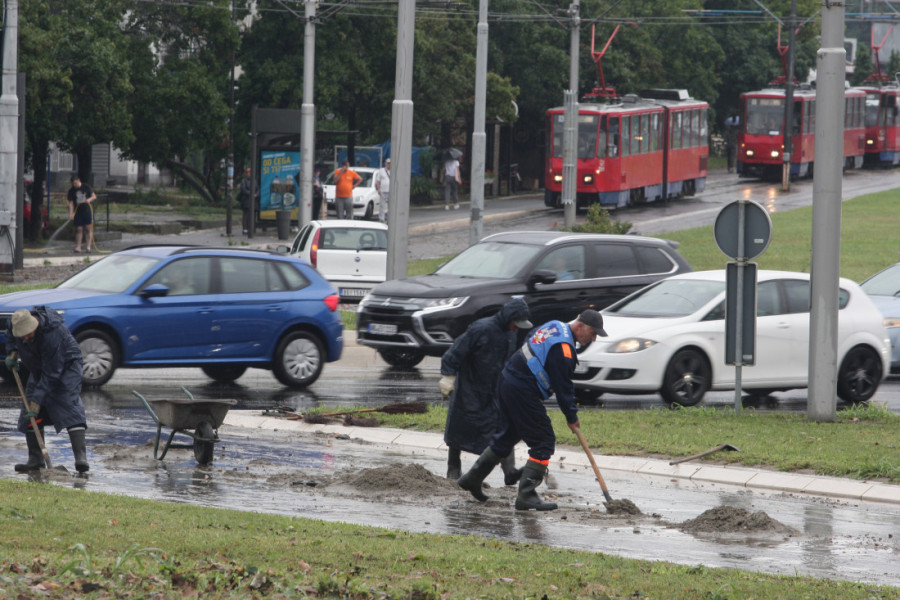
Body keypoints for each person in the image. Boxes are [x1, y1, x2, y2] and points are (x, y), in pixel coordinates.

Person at [457, 309, 607, 511]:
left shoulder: (555, 325)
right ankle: (527, 495)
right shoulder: (563, 350)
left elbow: (530, 339)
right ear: (580, 326)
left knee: (508, 434)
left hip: (508, 379)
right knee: (543, 441)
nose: (593, 338)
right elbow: (563, 388)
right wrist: (571, 417)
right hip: (521, 389)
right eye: (592, 333)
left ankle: (472, 478)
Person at [439, 297, 533, 481]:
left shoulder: (510, 333)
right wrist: (448, 376)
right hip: (470, 388)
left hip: (496, 388)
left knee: (503, 427)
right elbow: (455, 352)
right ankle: (453, 469)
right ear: (508, 318)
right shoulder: (480, 329)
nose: (517, 328)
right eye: (516, 323)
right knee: (460, 427)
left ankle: (510, 472)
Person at [5, 307, 89, 473]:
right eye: (23, 335)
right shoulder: (14, 322)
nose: (26, 338)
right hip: (38, 366)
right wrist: (12, 352)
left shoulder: (52, 334)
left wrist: (37, 402)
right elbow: (11, 335)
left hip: (66, 365)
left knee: (67, 403)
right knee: (28, 408)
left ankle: (81, 458)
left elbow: (52, 373)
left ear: (35, 324)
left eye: (29, 333)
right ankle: (35, 460)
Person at [67, 173, 96, 254]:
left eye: (75, 183)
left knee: (88, 228)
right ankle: (78, 247)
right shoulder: (71, 191)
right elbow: (71, 203)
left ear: (79, 180)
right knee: (78, 229)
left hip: (87, 210)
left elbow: (94, 196)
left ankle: (88, 247)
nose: (74, 185)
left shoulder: (86, 187)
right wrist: (71, 213)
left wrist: (89, 200)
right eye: (73, 184)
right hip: (77, 211)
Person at [236, 167, 255, 235]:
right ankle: (245, 229)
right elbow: (243, 190)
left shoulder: (254, 181)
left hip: (252, 201)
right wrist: (251, 194)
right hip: (245, 200)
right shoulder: (244, 181)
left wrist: (256, 194)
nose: (248, 174)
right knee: (245, 215)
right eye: (247, 172)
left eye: (249, 172)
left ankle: (250, 228)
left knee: (251, 215)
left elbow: (257, 188)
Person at [374, 158, 391, 223]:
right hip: (383, 190)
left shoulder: (393, 171)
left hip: (391, 191)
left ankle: (389, 218)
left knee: (391, 206)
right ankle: (381, 218)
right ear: (385, 163)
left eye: (390, 163)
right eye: (387, 163)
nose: (389, 165)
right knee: (382, 205)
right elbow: (378, 181)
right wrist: (378, 189)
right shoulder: (381, 170)